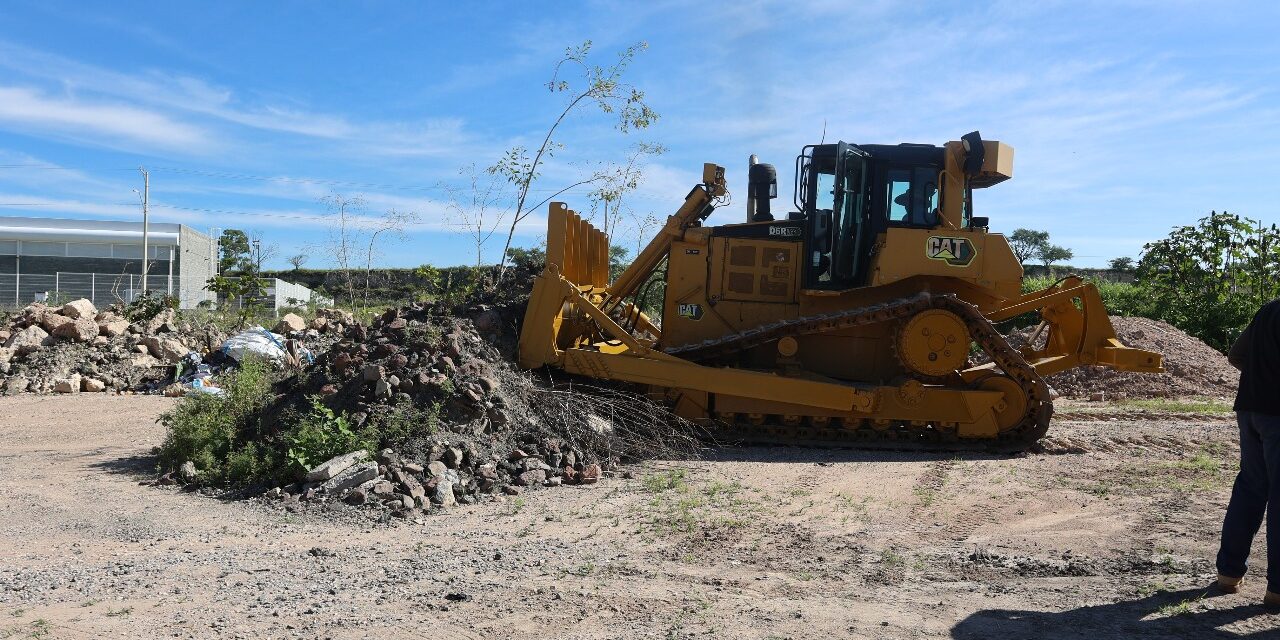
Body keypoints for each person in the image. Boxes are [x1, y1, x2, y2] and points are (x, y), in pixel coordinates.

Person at [1216, 298, 1280, 606]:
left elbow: (1236, 355)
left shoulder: (1269, 310)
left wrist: (1264, 376)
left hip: (1250, 408)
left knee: (1250, 487)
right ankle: (1277, 589)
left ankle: (1228, 574)